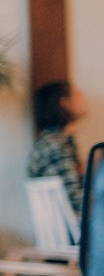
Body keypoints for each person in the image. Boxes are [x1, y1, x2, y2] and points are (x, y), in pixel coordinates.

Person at [27, 81, 88, 214]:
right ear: (65, 103)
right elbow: (77, 200)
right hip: (75, 230)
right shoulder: (57, 145)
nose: (83, 97)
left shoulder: (50, 140)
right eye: (78, 94)